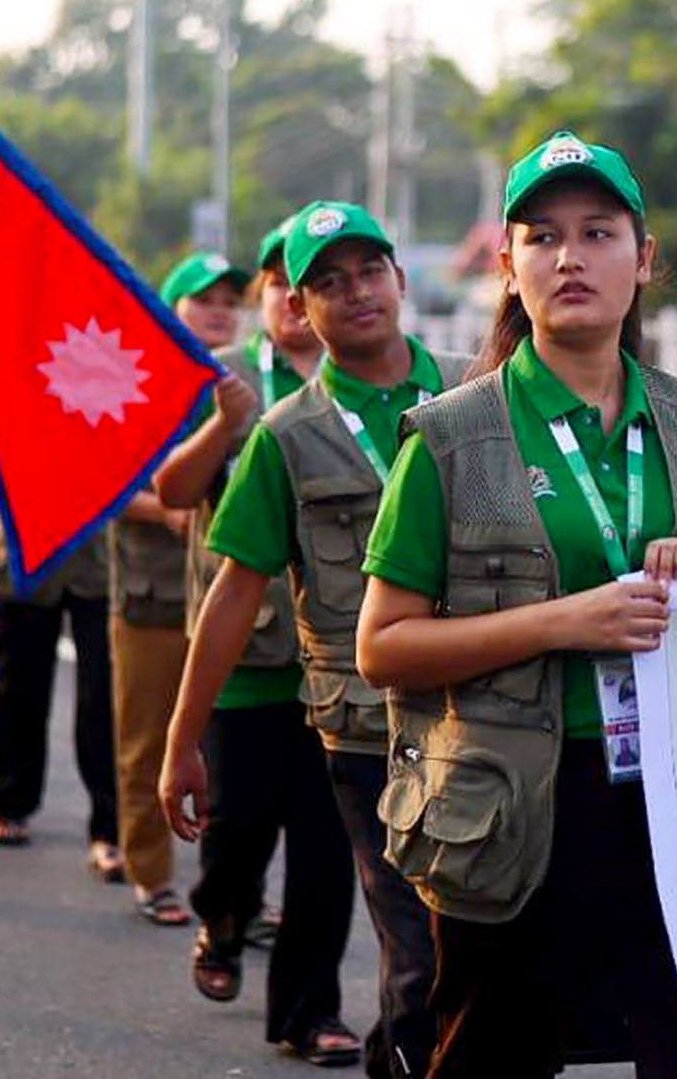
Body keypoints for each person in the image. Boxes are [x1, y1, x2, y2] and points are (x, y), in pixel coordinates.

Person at [358, 131, 677, 1077]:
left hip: (671, 798)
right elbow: (383, 646)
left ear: (645, 258)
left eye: (598, 232)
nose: (570, 257)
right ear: (507, 264)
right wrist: (563, 621)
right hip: (512, 808)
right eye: (541, 237)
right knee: (495, 1052)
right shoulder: (453, 438)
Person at [163, 202, 463, 1076]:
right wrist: (182, 743)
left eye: (369, 271)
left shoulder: (477, 398)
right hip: (360, 726)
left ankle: (378, 1041)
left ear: (401, 282)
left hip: (483, 718)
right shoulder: (285, 436)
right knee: (412, 946)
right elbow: (231, 594)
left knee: (467, 945)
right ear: (301, 305)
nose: (355, 292)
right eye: (327, 283)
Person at [106, 251, 253, 928]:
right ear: (173, 310)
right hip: (155, 593)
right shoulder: (139, 381)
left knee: (232, 755)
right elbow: (106, 483)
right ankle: (151, 873)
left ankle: (235, 895)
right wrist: (166, 509)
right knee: (147, 740)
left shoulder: (248, 386)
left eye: (229, 300)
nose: (220, 311)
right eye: (204, 300)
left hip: (230, 602)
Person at [0, 426, 120, 873]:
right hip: (27, 549)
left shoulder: (108, 371)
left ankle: (110, 827)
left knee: (102, 697)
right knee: (20, 686)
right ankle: (8, 800)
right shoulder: (9, 377)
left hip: (98, 557)